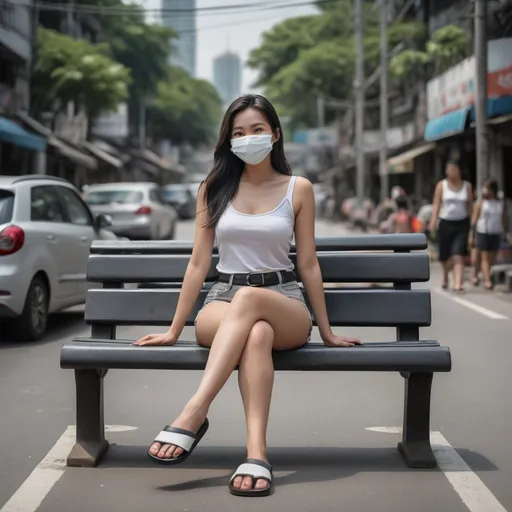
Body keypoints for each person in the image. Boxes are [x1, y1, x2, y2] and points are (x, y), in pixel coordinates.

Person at [133, 94, 363, 497]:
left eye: (257, 130)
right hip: (221, 300)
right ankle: (256, 453)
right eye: (238, 132)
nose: (248, 138)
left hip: (283, 299)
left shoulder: (299, 189)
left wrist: (327, 331)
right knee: (255, 331)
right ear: (229, 141)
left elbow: (307, 264)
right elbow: (198, 264)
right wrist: (173, 329)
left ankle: (195, 411)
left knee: (252, 302)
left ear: (275, 134)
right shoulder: (214, 188)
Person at [429, 161, 473, 292]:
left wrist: (472, 225)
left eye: (453, 169)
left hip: (462, 223)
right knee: (444, 255)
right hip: (445, 222)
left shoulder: (467, 186)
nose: (451, 172)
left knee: (458, 254)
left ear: (459, 170)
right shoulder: (441, 185)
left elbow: (470, 206)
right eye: (448, 169)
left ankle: (458, 283)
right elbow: (436, 204)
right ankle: (445, 277)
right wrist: (433, 221)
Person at [469, 179, 507, 290]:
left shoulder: (500, 203)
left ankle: (485, 275)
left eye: (487, 188)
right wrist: (472, 234)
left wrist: (505, 232)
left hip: (495, 232)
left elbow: (504, 219)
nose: (485, 190)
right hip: (483, 232)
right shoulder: (481, 203)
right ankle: (487, 280)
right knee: (484, 257)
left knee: (492, 257)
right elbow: (474, 219)